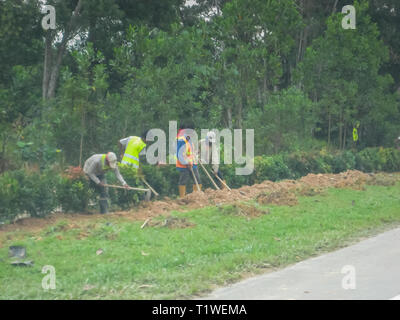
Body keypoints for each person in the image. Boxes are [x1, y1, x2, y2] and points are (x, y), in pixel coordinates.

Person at [176, 124, 202, 198]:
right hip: (184, 165)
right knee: (183, 181)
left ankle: (197, 196)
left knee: (197, 180)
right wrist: (186, 163)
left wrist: (196, 154)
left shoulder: (190, 139)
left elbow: (190, 151)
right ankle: (182, 198)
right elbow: (179, 154)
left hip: (192, 163)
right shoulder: (181, 140)